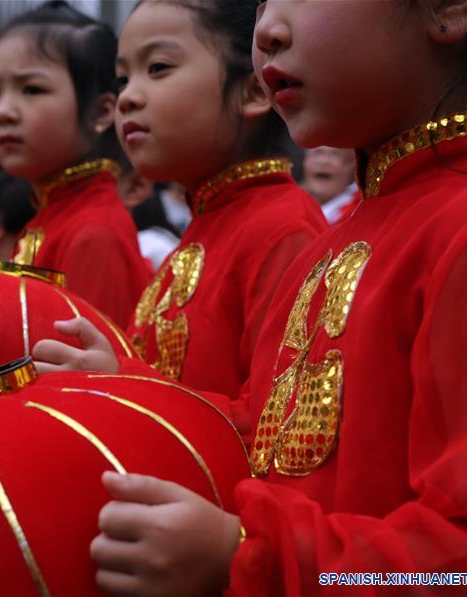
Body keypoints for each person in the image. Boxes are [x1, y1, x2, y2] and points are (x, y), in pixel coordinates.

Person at [84, 0, 467, 594]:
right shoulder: (338, 239)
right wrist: (128, 388)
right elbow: (258, 429)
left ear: (448, 8)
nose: (266, 29)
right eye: (262, 2)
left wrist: (250, 556)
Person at [33, 0, 327, 406]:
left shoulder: (283, 227)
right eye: (122, 79)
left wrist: (123, 383)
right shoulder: (207, 223)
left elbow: (276, 425)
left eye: (157, 68)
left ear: (254, 91)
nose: (128, 99)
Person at [0, 0, 151, 325]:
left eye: (31, 89)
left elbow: (91, 374)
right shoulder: (51, 216)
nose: (3, 111)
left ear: (101, 112)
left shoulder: (93, 233)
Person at [301, 145, 358, 223]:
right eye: (317, 153)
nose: (323, 161)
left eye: (335, 154)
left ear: (352, 166)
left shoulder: (358, 213)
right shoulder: (288, 206)